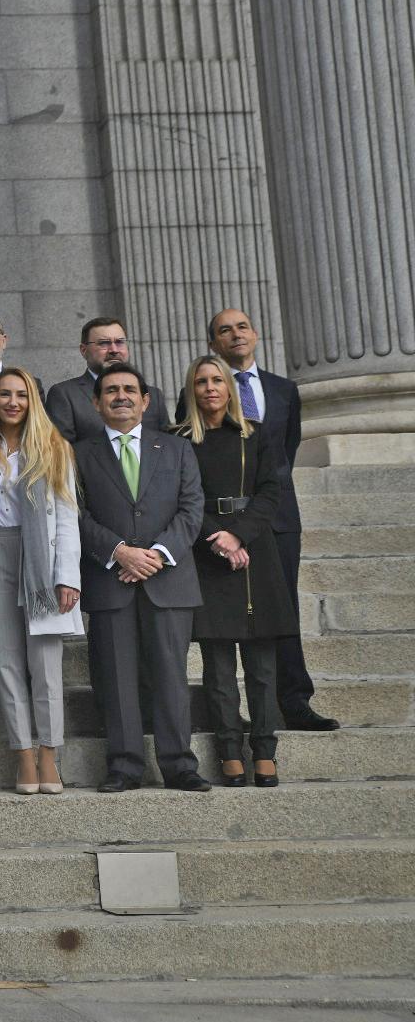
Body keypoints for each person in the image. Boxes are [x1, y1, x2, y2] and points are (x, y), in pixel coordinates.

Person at [73, 362, 210, 794]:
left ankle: (179, 765)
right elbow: (76, 515)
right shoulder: (78, 454)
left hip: (168, 580)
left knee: (171, 676)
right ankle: (124, 765)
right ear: (96, 403)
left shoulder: (175, 450)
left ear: (146, 400)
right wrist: (118, 552)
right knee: (116, 677)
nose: (121, 396)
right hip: (110, 579)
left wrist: (156, 555)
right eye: (111, 390)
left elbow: (191, 509)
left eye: (130, 390)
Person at [207, 308, 332, 732]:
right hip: (223, 526)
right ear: (214, 344)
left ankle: (294, 702)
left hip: (277, 519)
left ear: (256, 335)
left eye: (242, 327)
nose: (235, 335)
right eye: (225, 330)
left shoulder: (284, 390)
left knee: (283, 610)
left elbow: (285, 451)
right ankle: (231, 710)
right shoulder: (209, 390)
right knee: (228, 615)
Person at [177, 353, 295, 788]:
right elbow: (183, 500)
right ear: (191, 390)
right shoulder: (181, 441)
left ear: (229, 387)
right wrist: (219, 539)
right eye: (201, 381)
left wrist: (240, 536)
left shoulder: (256, 435)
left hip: (255, 551)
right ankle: (230, 750)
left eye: (217, 380)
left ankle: (264, 749)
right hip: (209, 554)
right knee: (219, 667)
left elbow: (270, 491)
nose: (210, 388)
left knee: (262, 667)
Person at [0, 367, 82, 796]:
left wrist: (67, 577)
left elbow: (67, 517)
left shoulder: (55, 448)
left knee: (45, 666)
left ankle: (49, 755)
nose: (12, 402)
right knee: (7, 664)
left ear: (33, 400)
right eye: (4, 395)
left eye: (21, 395)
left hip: (41, 563)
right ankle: (23, 756)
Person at [45, 317, 171, 443]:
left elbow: (167, 447)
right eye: (104, 343)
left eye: (120, 342)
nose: (114, 350)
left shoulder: (153, 395)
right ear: (84, 350)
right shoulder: (65, 394)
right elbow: (61, 453)